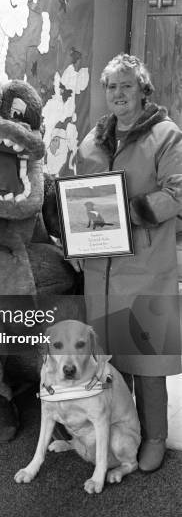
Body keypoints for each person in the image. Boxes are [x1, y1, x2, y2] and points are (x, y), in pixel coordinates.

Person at [72, 53, 182, 472]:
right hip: (101, 268)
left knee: (148, 357)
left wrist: (129, 210)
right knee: (111, 360)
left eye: (127, 86)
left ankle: (154, 436)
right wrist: (77, 244)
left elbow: (177, 193)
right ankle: (122, 429)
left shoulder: (167, 136)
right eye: (111, 87)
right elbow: (78, 196)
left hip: (145, 266)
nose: (118, 94)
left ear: (143, 90)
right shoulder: (92, 140)